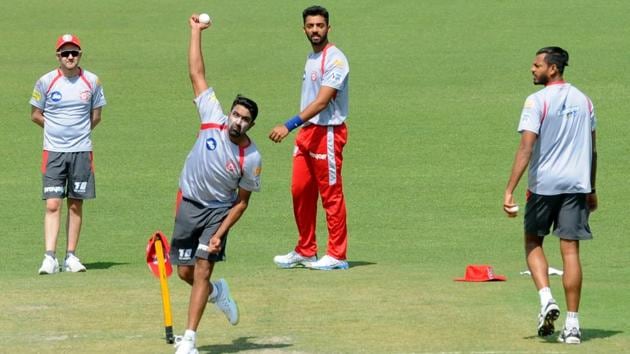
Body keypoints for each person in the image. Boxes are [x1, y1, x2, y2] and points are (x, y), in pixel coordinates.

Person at [170, 14, 262, 354]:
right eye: (235, 114)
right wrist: (195, 32)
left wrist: (221, 233)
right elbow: (196, 73)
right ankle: (217, 293)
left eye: (244, 119)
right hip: (188, 203)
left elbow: (241, 201)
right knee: (185, 273)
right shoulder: (211, 117)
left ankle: (190, 340)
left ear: (251, 124)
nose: (237, 121)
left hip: (216, 214)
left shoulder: (250, 158)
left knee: (203, 267)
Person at [503, 46, 597, 344]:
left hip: (544, 185)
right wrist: (591, 188)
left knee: (533, 241)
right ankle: (572, 325)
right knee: (570, 251)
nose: (532, 69)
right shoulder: (585, 101)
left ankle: (546, 299)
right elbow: (592, 148)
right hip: (577, 184)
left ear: (552, 68)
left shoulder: (536, 101)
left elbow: (526, 147)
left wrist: (509, 189)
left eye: (537, 65)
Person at [270, 5, 350, 271]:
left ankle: (337, 254)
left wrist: (289, 125)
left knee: (331, 194)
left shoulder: (335, 59)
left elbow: (321, 102)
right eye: (310, 26)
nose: (315, 30)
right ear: (304, 28)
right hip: (308, 133)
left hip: (327, 132)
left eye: (320, 25)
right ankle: (306, 250)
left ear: (329, 27)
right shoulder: (312, 57)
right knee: (300, 191)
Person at [30, 34, 107, 274]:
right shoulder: (46, 81)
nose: (70, 57)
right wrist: (57, 131)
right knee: (53, 203)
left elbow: (96, 116)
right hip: (53, 152)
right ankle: (49, 257)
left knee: (75, 203)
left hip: (82, 151)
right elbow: (35, 114)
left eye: (74, 53)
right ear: (58, 56)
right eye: (65, 53)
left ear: (80, 55)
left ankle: (71, 256)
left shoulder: (92, 81)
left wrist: (77, 133)